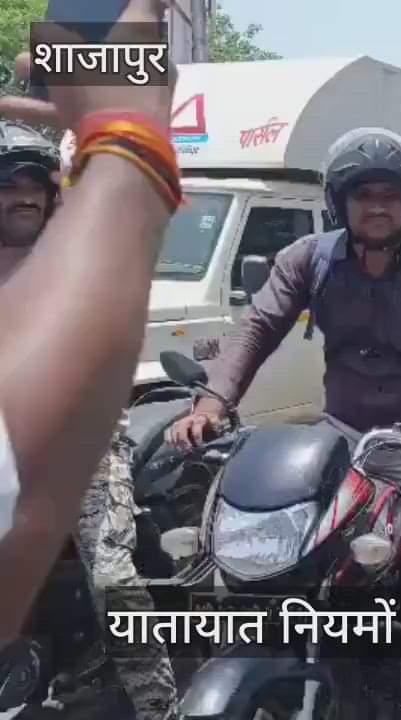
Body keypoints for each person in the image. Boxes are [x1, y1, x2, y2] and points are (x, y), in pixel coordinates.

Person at [166, 127, 401, 719]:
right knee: (249, 559)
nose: (377, 207)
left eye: (389, 196)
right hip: (341, 438)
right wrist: (213, 403)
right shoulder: (308, 259)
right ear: (339, 202)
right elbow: (256, 328)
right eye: (363, 195)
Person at [0, 0, 179, 642]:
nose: (21, 192)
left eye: (32, 180)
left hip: (95, 445)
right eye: (5, 181)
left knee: (113, 581)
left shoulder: (67, 249)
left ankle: (158, 706)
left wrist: (121, 142)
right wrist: (132, 136)